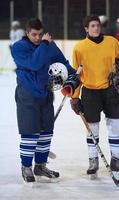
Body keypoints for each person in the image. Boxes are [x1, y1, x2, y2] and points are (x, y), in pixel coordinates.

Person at [11, 18, 76, 183]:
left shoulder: (49, 45)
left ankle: (40, 166)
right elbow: (34, 64)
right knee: (30, 133)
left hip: (46, 94)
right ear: (27, 33)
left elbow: (63, 64)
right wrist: (45, 45)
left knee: (46, 133)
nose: (38, 38)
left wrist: (73, 76)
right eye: (34, 35)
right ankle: (26, 167)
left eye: (40, 34)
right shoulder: (19, 47)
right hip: (27, 95)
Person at [69, 15, 119, 178]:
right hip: (90, 92)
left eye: (97, 25)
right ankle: (93, 160)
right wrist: (75, 97)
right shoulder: (79, 48)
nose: (96, 28)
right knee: (92, 128)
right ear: (86, 29)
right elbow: (76, 75)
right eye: (92, 26)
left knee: (116, 124)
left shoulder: (111, 42)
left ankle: (116, 160)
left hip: (110, 90)